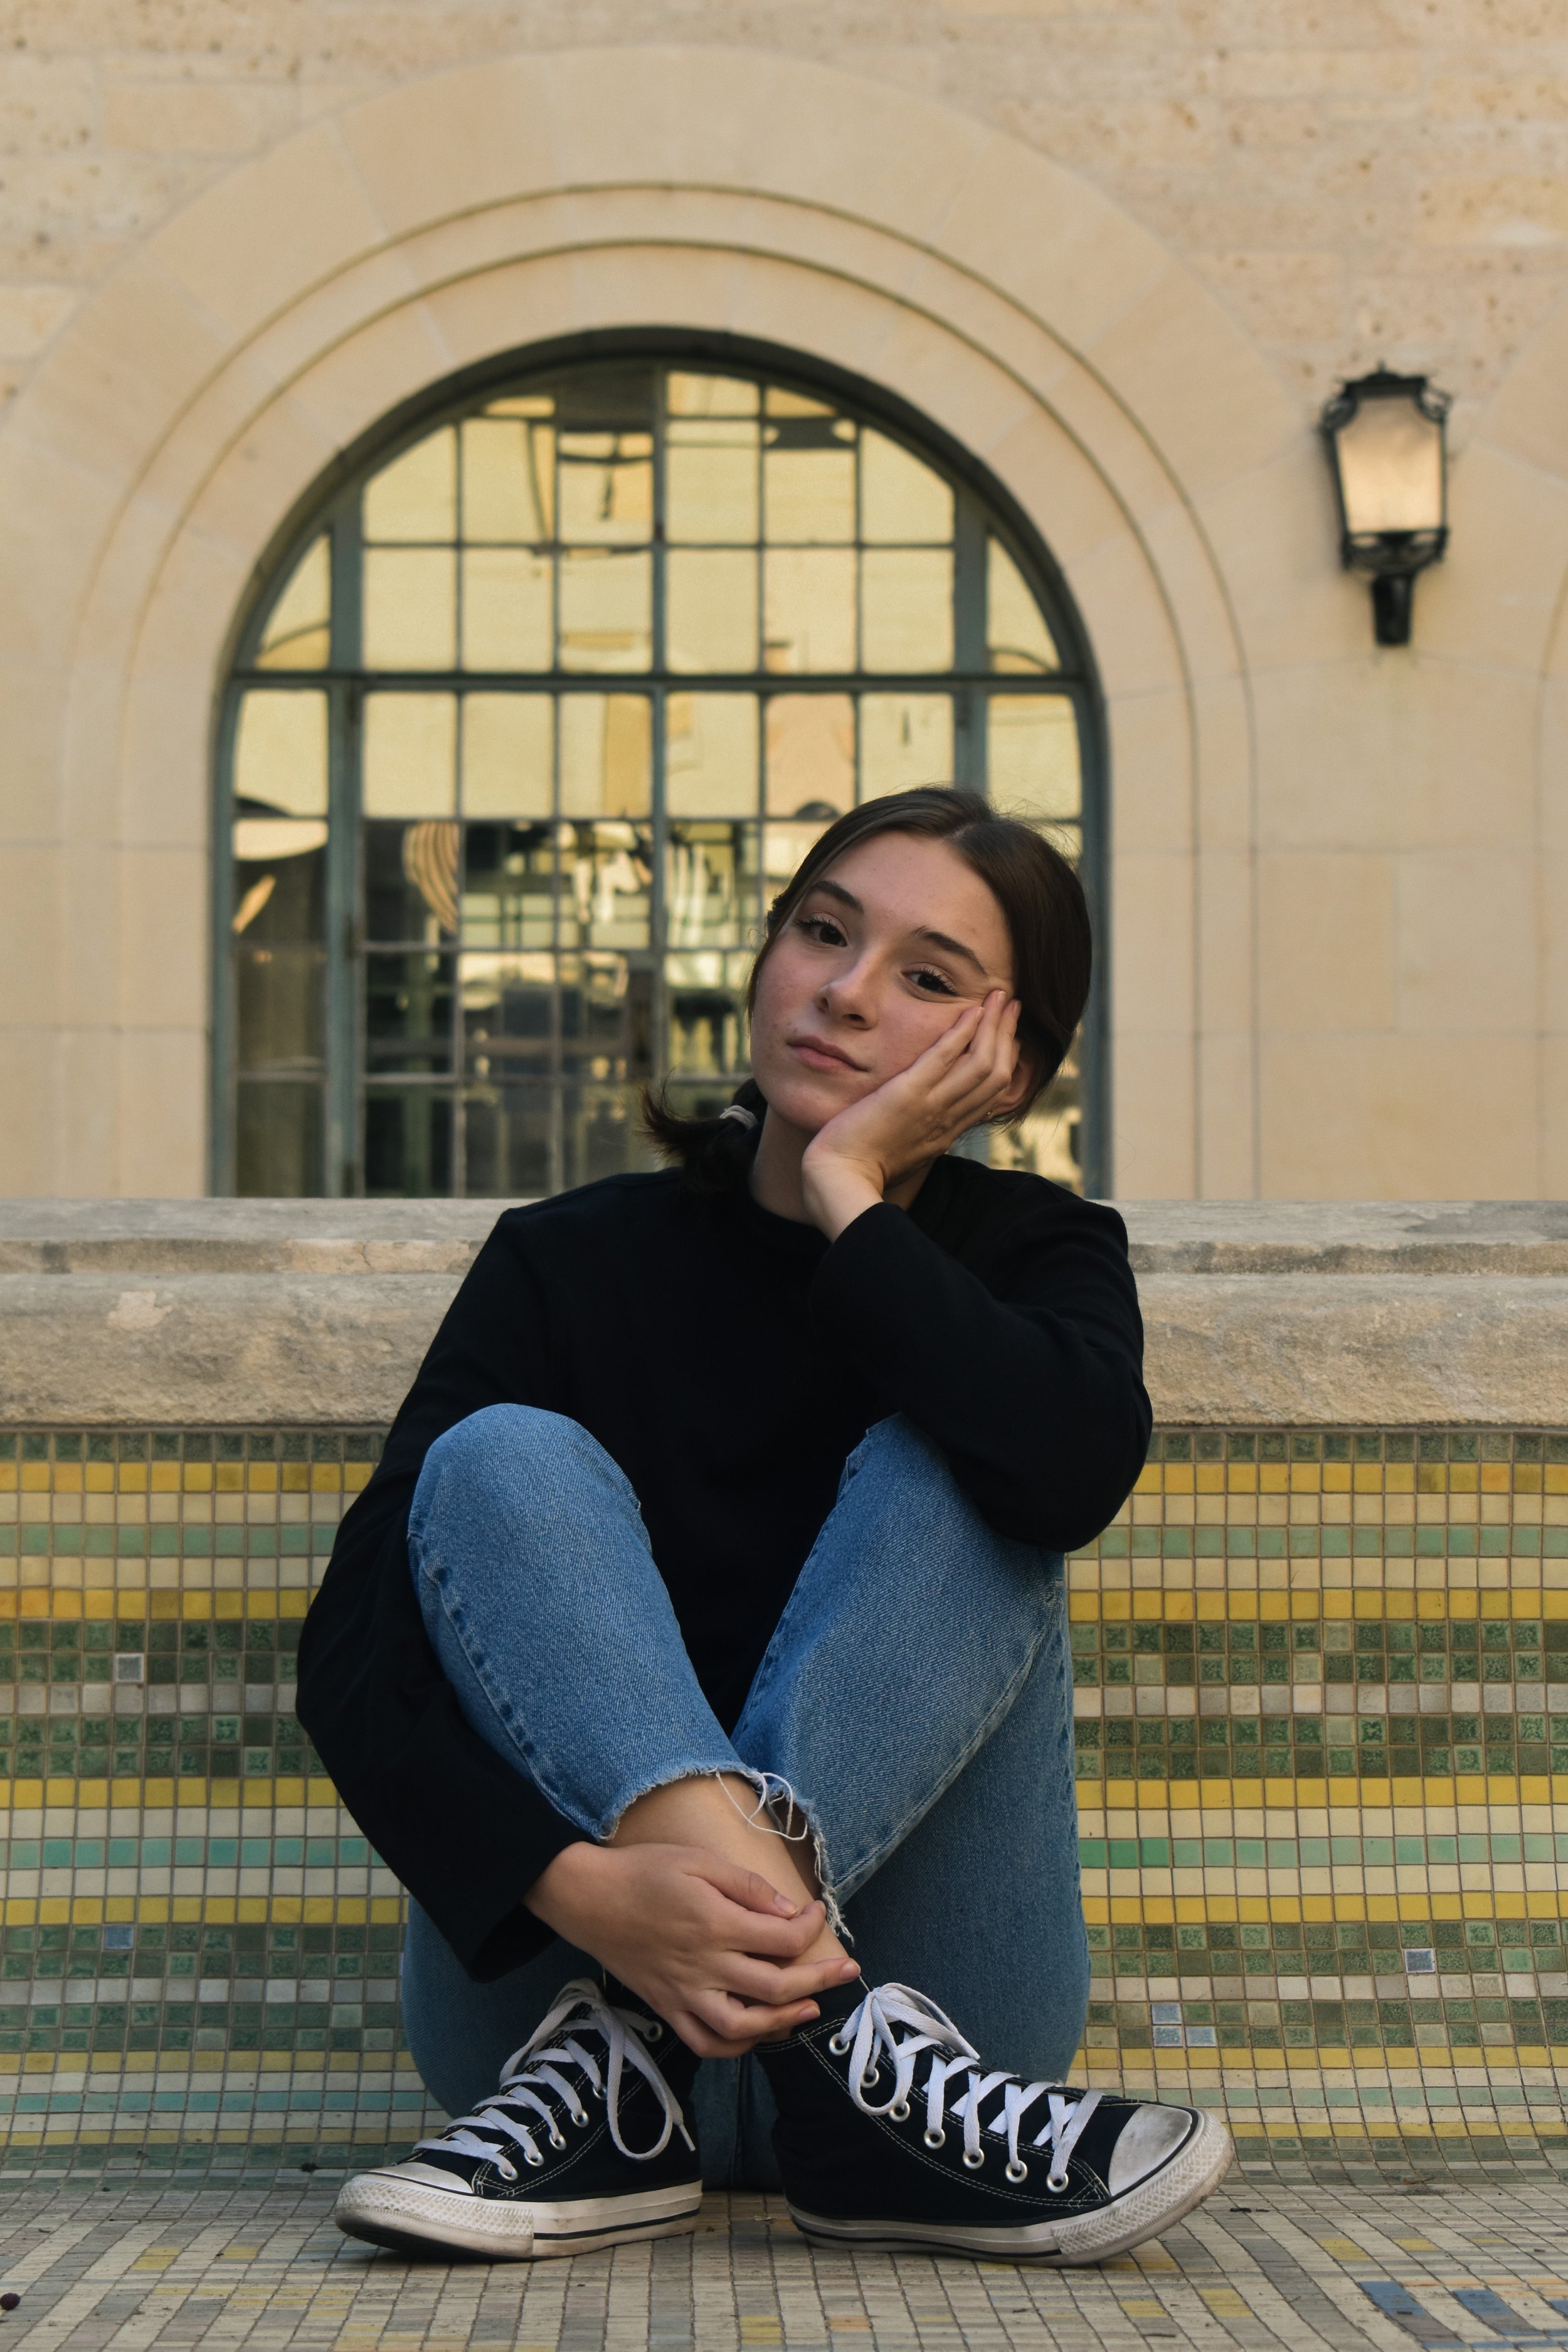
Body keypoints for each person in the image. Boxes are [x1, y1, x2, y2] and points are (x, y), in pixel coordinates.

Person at [295, 786, 1232, 2267]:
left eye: (925, 977)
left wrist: (851, 1194)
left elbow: (1066, 1474)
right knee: (502, 1462)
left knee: (965, 1466)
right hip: (554, 2019)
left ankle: (761, 2064)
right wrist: (590, 1895)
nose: (846, 993)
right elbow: (352, 1649)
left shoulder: (1037, 1256)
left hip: (935, 2037)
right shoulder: (565, 1263)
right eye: (821, 932)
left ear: (1008, 1061)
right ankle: (650, 2047)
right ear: (762, 959)